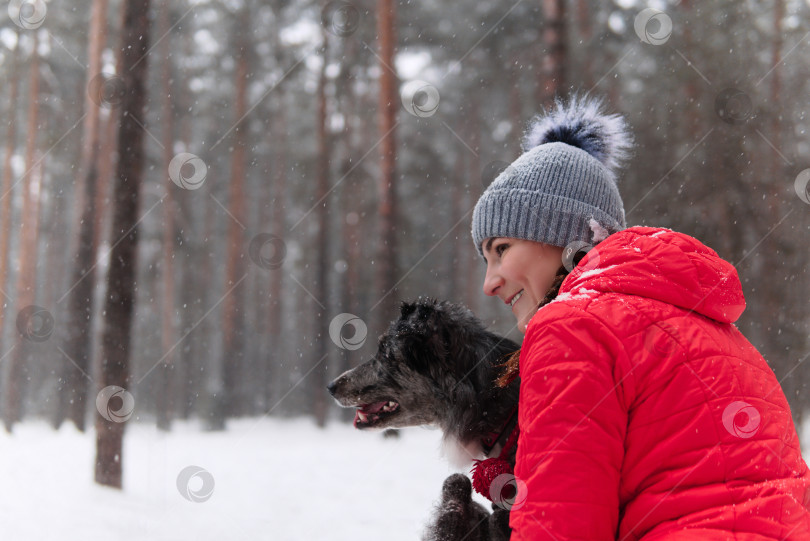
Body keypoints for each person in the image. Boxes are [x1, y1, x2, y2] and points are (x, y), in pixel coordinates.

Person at [470, 96, 810, 540]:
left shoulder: (572, 324)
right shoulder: (711, 329)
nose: (490, 283)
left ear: (564, 236)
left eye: (501, 250)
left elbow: (561, 525)